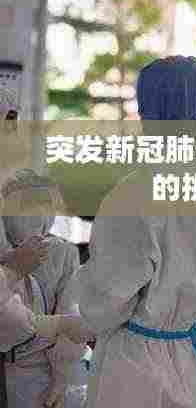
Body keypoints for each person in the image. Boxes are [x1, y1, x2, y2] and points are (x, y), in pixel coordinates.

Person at [39, 56, 196, 408]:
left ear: (150, 113)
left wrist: (80, 317)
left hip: (143, 373)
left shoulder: (136, 193)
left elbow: (104, 301)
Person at [2, 170, 88, 408]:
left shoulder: (62, 253)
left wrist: (61, 376)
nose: (39, 216)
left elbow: (72, 314)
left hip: (46, 370)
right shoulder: (5, 255)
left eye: (46, 206)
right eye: (27, 207)